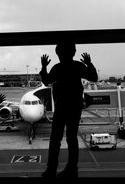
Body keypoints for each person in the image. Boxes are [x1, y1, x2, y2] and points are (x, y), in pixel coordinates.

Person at [40, 41, 98, 179]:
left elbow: (46, 81)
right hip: (75, 106)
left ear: (58, 54)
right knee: (72, 138)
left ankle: (51, 169)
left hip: (61, 106)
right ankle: (72, 168)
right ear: (74, 52)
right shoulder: (78, 66)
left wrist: (43, 67)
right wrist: (89, 64)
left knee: (55, 139)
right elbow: (94, 78)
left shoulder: (57, 68)